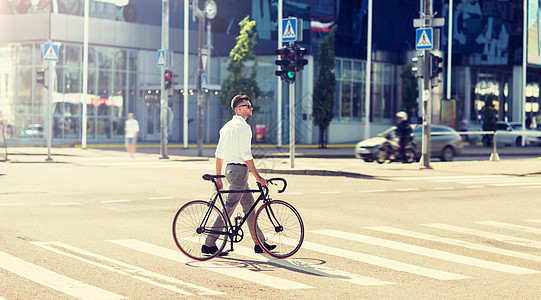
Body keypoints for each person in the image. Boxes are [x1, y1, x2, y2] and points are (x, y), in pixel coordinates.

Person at [203, 94, 275, 256]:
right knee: (229, 207)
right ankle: (209, 243)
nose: (251, 108)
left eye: (250, 105)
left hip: (229, 170)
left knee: (249, 206)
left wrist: (219, 176)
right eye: (248, 105)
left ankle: (260, 243)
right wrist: (258, 177)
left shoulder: (226, 127)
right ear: (239, 109)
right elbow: (246, 155)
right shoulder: (243, 127)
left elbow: (219, 153)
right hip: (239, 171)